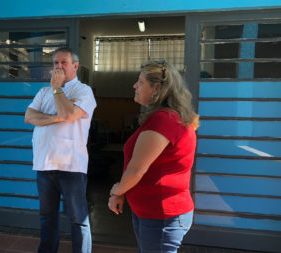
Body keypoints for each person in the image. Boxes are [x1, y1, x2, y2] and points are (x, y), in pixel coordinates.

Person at [108, 60, 199, 253]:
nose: (135, 86)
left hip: (161, 215)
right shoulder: (168, 117)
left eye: (140, 82)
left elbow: (135, 169)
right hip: (156, 213)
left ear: (157, 88)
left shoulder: (163, 120)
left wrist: (117, 191)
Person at [25, 47, 97, 253]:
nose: (58, 67)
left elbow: (69, 113)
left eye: (63, 62)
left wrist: (58, 90)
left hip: (71, 166)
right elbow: (29, 116)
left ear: (75, 66)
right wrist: (58, 117)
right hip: (44, 165)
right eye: (55, 63)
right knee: (47, 217)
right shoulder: (43, 92)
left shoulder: (83, 91)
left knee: (78, 219)